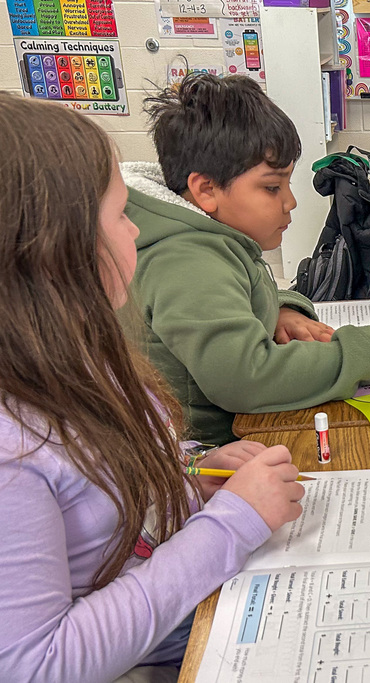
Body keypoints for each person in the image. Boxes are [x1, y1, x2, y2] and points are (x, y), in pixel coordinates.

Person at [0, 93, 306, 682]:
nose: (136, 230)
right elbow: (36, 665)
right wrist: (232, 521)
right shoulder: (14, 448)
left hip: (204, 604)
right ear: (55, 248)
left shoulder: (80, 356)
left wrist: (191, 474)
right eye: (119, 215)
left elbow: (111, 497)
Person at [123, 74, 370, 445]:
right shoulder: (186, 260)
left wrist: (279, 310)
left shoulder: (203, 234)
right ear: (206, 189)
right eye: (272, 187)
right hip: (209, 454)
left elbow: (241, 292)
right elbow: (245, 378)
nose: (289, 202)